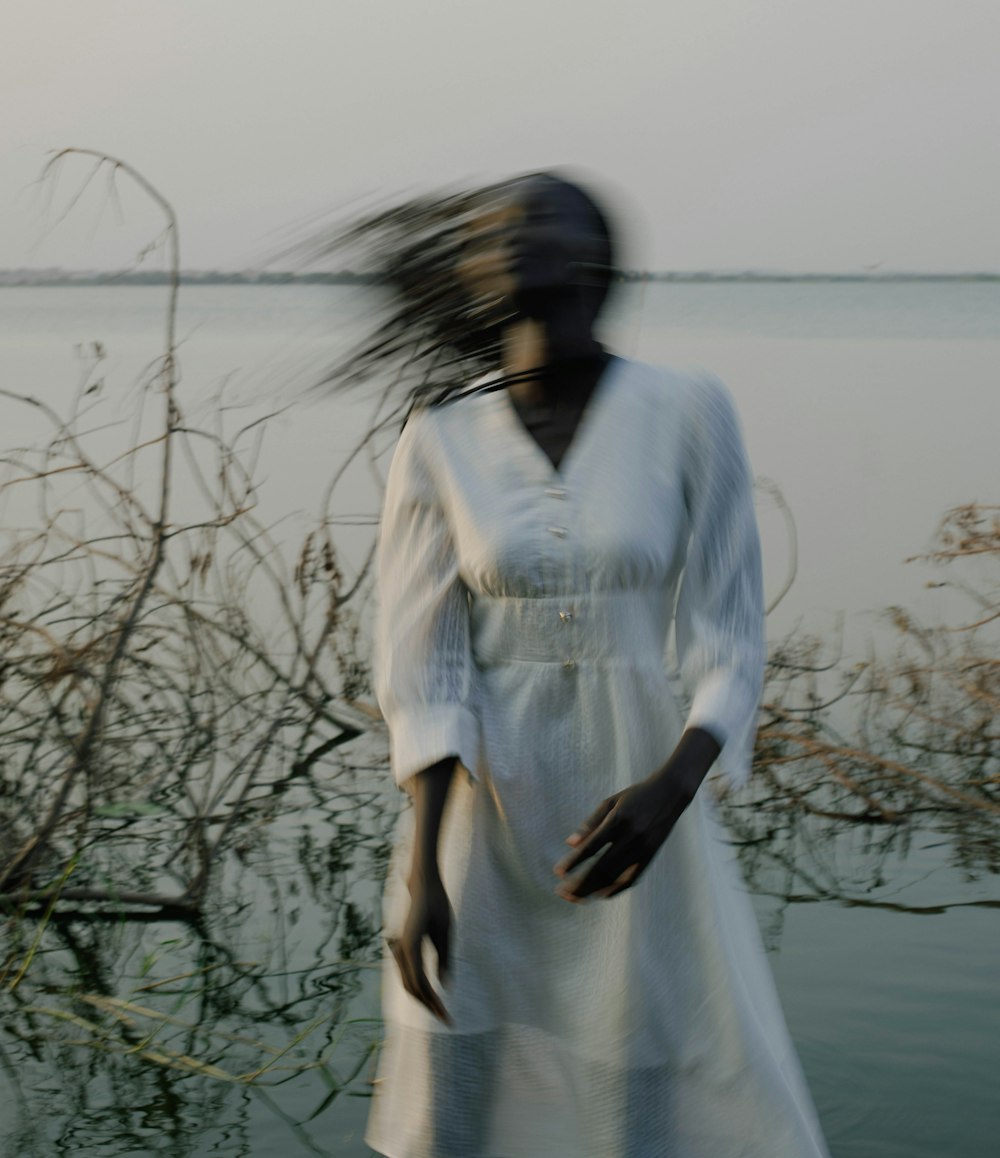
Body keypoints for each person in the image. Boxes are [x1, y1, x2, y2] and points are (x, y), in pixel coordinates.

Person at [356, 173, 830, 1157]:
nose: (506, 236)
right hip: (483, 817)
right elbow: (425, 671)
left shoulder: (687, 410)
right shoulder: (439, 440)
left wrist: (674, 786)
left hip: (635, 808)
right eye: (488, 230)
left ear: (595, 256)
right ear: (473, 270)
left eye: (535, 218)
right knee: (458, 1074)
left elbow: (727, 636)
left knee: (634, 1066)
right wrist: (422, 874)